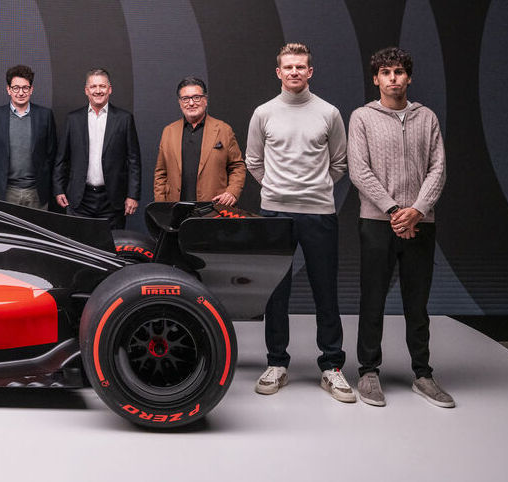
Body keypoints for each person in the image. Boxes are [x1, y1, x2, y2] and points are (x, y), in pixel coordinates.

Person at [246, 43, 354, 403]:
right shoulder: (264, 113)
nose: (294, 72)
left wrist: (313, 188)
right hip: (275, 212)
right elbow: (253, 160)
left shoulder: (328, 112)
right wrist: (278, 189)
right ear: (279, 72)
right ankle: (276, 363)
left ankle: (332, 366)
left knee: (325, 289)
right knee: (276, 292)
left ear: (310, 72)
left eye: (300, 67)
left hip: (319, 212)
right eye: (288, 67)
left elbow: (339, 163)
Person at [348, 47, 452, 408]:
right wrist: (395, 211)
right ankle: (368, 371)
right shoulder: (362, 117)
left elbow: (438, 168)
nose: (393, 78)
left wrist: (417, 211)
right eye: (386, 72)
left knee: (417, 302)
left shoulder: (427, 117)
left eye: (399, 72)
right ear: (376, 79)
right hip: (377, 222)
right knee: (372, 298)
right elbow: (359, 170)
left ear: (409, 77)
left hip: (421, 223)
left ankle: (423, 374)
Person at [53, 68, 141, 229]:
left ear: (110, 89)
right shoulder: (73, 119)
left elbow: (134, 161)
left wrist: (132, 195)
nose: (98, 91)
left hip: (112, 199)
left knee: (111, 243)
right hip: (79, 198)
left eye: (102, 86)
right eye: (93, 86)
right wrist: (58, 189)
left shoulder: (124, 119)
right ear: (86, 90)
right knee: (78, 243)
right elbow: (61, 159)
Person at [154, 77, 245, 205]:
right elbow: (161, 173)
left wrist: (232, 192)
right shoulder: (169, 131)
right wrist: (160, 206)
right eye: (185, 99)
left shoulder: (223, 130)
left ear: (205, 100)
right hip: (176, 208)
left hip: (213, 206)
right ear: (180, 103)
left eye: (196, 97)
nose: (191, 103)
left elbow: (237, 166)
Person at [0, 65, 57, 209]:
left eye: (25, 88)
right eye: (16, 88)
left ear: (31, 89)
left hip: (37, 191)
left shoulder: (45, 116)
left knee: (37, 224)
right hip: (6, 191)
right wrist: (0, 176)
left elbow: (51, 152)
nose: (21, 92)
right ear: (8, 89)